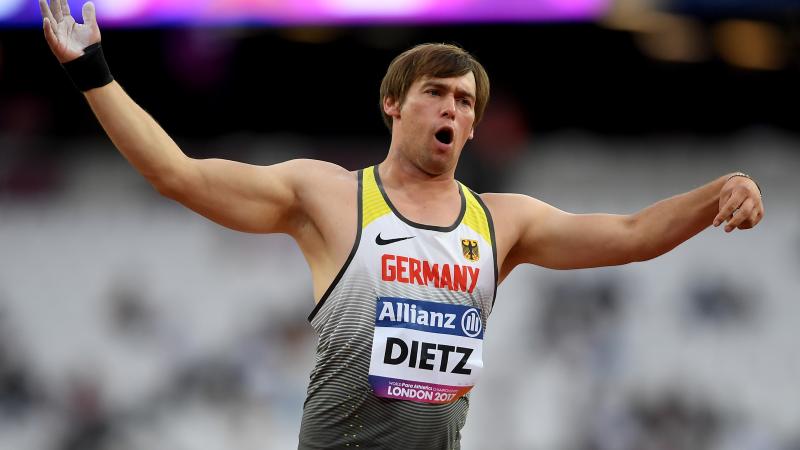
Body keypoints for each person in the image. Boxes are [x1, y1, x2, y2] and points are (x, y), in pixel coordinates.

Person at [39, 0, 765, 448]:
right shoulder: (327, 197)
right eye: (438, 94)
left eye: (468, 103)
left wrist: (720, 191)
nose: (455, 110)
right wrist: (93, 71)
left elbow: (636, 235)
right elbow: (179, 174)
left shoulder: (503, 223)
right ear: (393, 103)